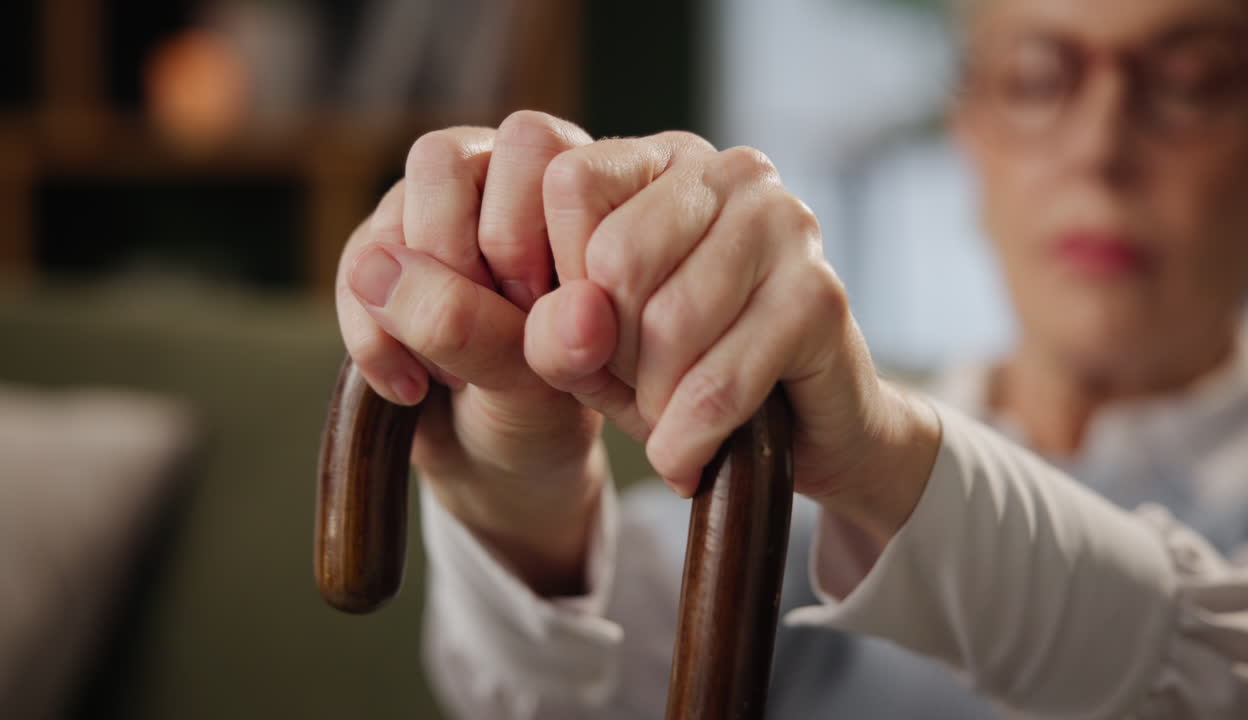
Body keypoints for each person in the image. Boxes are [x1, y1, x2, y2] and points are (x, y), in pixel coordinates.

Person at [334, 0, 1248, 716]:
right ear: (969, 133)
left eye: (1194, 81)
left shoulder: (841, 442)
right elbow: (595, 689)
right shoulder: (771, 477)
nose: (1099, 148)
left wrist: (887, 460)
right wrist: (520, 491)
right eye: (1037, 78)